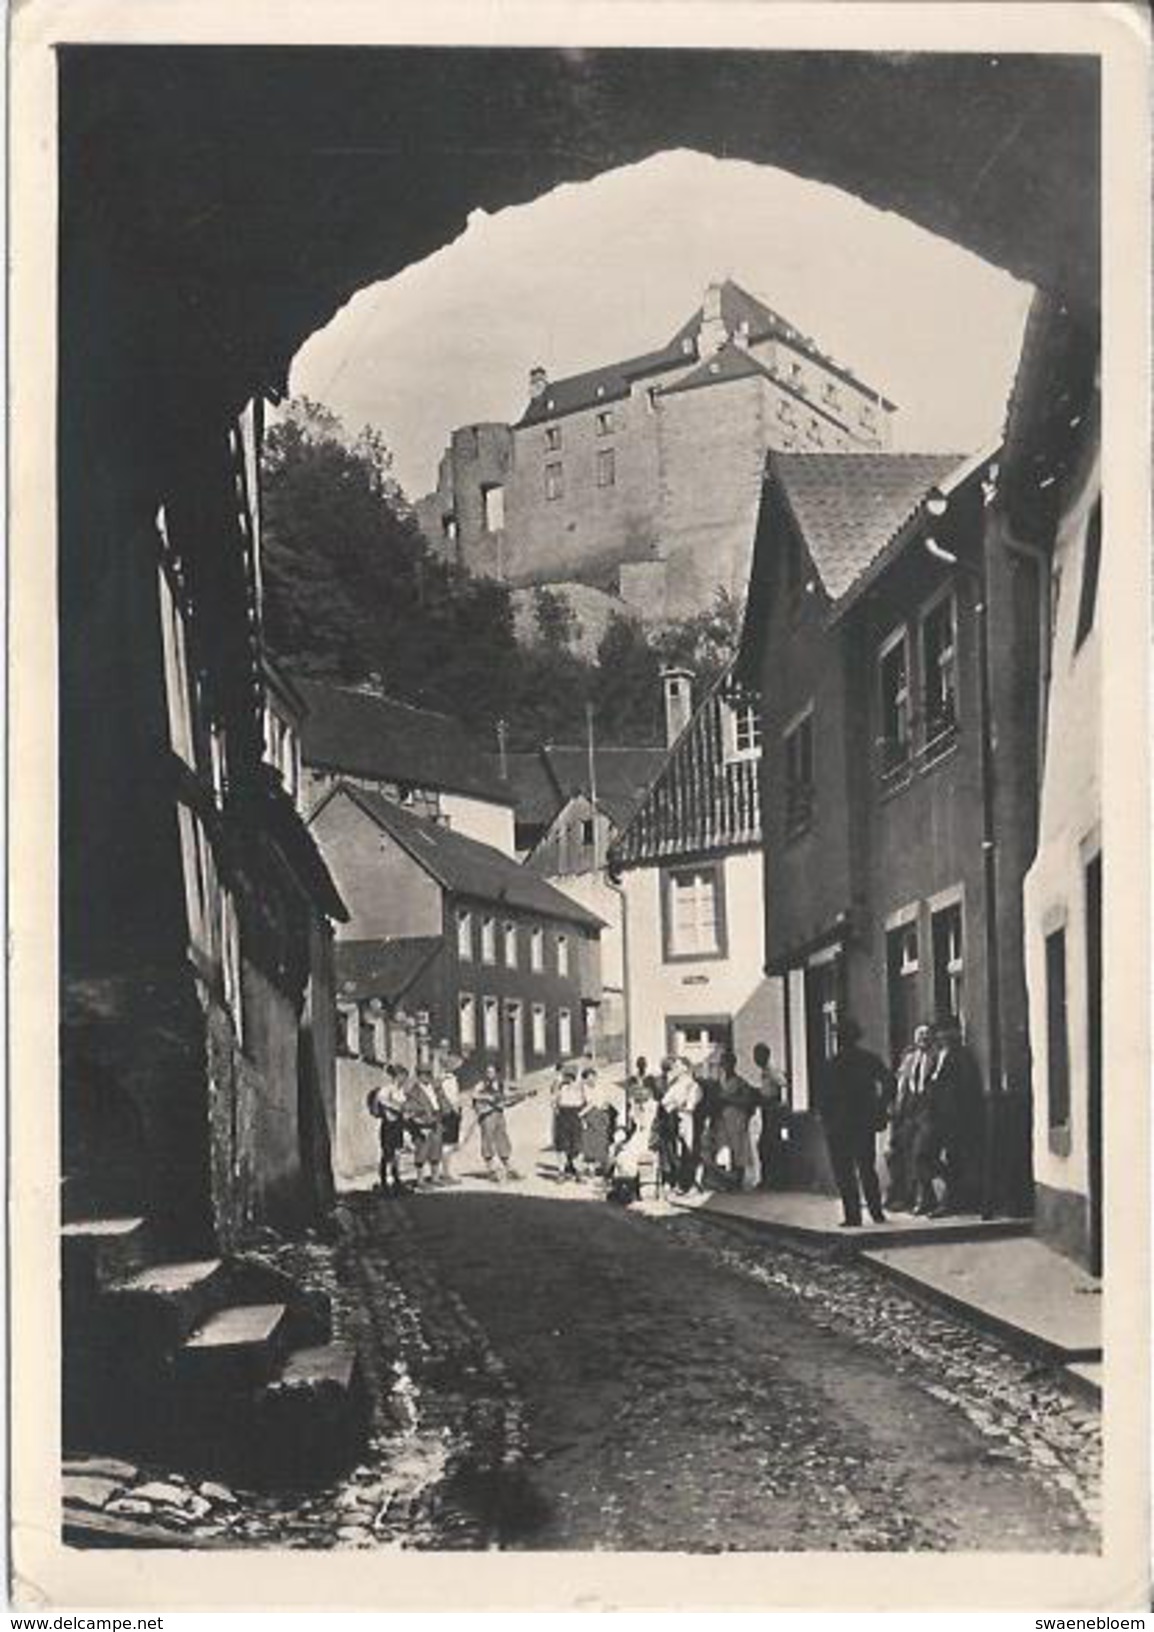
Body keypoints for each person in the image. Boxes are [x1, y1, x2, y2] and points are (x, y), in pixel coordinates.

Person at [818, 1018, 892, 1227]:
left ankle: (853, 1216)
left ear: (839, 1039)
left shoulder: (832, 1064)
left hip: (839, 1126)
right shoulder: (869, 1060)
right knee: (867, 1168)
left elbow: (823, 1098)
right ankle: (876, 1212)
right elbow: (889, 1082)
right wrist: (879, 1106)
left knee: (844, 1172)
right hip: (862, 1123)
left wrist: (827, 1119)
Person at [887, 1024, 933, 1212]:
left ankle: (925, 1198)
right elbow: (902, 1086)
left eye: (927, 1035)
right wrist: (897, 1109)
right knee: (898, 1151)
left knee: (920, 1154)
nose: (923, 1038)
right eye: (920, 1035)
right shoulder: (910, 1059)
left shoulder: (935, 1057)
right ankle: (904, 1197)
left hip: (928, 1111)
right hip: (909, 1111)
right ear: (915, 1038)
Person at [471, 1063, 524, 1182]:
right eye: (488, 1072)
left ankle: (508, 1167)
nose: (489, 1074)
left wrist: (518, 1098)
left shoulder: (501, 1085)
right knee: (487, 1140)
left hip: (499, 1114)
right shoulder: (481, 1084)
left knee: (502, 1138)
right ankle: (491, 1169)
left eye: (492, 1072)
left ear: (497, 1073)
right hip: (487, 1115)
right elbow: (474, 1095)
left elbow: (506, 1099)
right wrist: (486, 1098)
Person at [716, 1051, 759, 1191]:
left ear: (732, 1064)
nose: (723, 1066)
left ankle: (738, 1181)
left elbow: (747, 1101)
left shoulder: (739, 1082)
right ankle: (728, 1179)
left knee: (739, 1148)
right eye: (722, 1063)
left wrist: (729, 1099)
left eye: (726, 1063)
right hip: (724, 1118)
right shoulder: (722, 1081)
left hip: (737, 1117)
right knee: (726, 1148)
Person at [662, 1057, 704, 1193]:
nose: (676, 1068)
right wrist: (675, 1105)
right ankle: (680, 1182)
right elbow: (665, 1102)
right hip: (675, 1120)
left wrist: (676, 1105)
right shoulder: (675, 1085)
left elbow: (690, 1106)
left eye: (679, 1065)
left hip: (688, 1120)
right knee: (677, 1153)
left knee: (689, 1151)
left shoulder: (693, 1085)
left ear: (685, 1068)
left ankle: (690, 1184)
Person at [752, 1041, 789, 1190]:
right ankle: (767, 1179)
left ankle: (773, 1180)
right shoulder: (765, 1071)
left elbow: (783, 1084)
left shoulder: (772, 1070)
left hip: (774, 1111)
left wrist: (779, 1103)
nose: (755, 1059)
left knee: (769, 1145)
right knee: (765, 1145)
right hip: (767, 1111)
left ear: (764, 1055)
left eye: (757, 1055)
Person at [367, 1064, 408, 1195]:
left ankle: (396, 1180)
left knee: (397, 1153)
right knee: (387, 1153)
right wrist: (398, 1107)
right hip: (389, 1124)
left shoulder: (400, 1090)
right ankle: (384, 1182)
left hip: (398, 1124)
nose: (405, 1079)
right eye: (403, 1076)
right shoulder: (387, 1089)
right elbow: (383, 1100)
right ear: (397, 1076)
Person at [403, 1064, 444, 1186]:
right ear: (419, 1076)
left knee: (436, 1150)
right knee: (422, 1151)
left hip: (436, 1121)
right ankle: (420, 1180)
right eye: (424, 1074)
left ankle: (435, 1178)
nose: (426, 1077)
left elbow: (440, 1103)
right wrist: (419, 1124)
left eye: (428, 1074)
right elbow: (409, 1109)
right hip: (422, 1124)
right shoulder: (414, 1091)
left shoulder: (433, 1088)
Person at [580, 1067, 617, 1178]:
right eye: (590, 1078)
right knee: (589, 1142)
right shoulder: (583, 1088)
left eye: (594, 1077)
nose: (592, 1080)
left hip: (600, 1115)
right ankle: (591, 1169)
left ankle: (604, 1167)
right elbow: (589, 1103)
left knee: (602, 1141)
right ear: (585, 1079)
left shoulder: (599, 1088)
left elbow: (603, 1100)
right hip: (589, 1115)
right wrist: (581, 1115)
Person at [553, 1060, 587, 1178]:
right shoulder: (559, 1086)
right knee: (562, 1145)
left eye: (570, 1075)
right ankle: (561, 1171)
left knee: (576, 1145)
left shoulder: (579, 1087)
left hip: (575, 1115)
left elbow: (584, 1102)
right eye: (566, 1075)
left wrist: (581, 1116)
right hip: (563, 1115)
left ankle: (578, 1171)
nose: (568, 1078)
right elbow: (554, 1103)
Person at [436, 1044, 463, 1184]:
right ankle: (445, 1173)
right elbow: (451, 1098)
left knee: (448, 1144)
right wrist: (456, 1110)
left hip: (450, 1112)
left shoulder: (447, 1078)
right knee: (448, 1144)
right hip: (449, 1113)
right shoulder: (447, 1079)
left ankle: (444, 1171)